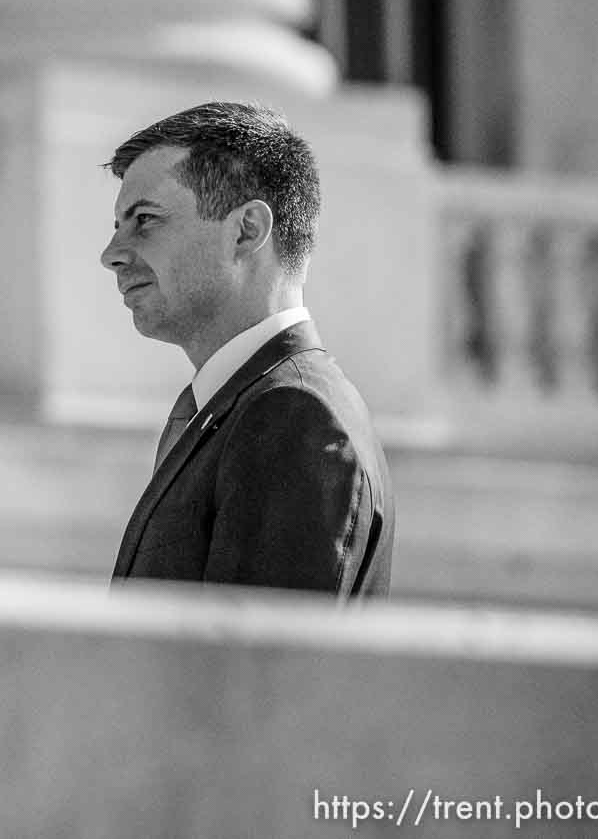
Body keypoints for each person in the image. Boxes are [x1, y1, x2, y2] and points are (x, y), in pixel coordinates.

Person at [99, 101, 392, 597]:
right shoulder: (244, 408)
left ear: (247, 230)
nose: (113, 255)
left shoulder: (295, 415)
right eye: (117, 226)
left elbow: (263, 670)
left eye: (145, 220)